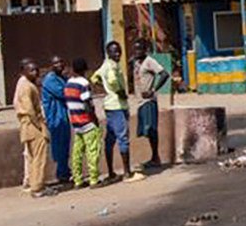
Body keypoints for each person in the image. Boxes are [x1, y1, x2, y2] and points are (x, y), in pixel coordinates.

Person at [93, 41, 132, 182]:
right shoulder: (110, 67)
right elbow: (113, 80)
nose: (117, 54)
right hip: (117, 106)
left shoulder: (105, 65)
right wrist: (119, 92)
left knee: (110, 139)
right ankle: (127, 172)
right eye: (114, 52)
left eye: (119, 51)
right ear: (108, 53)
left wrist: (103, 87)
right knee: (123, 138)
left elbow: (94, 77)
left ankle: (111, 172)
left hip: (109, 105)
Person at [65, 57, 104, 188]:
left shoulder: (68, 83)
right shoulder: (83, 83)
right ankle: (94, 179)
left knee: (77, 152)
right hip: (86, 121)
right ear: (84, 70)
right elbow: (87, 103)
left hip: (75, 123)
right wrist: (94, 118)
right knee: (92, 150)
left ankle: (78, 180)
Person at [14, 58, 51, 196]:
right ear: (24, 72)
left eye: (36, 70)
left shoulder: (26, 84)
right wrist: (40, 126)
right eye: (31, 70)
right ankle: (37, 187)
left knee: (32, 156)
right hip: (31, 124)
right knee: (39, 157)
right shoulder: (27, 86)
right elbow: (30, 110)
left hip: (27, 124)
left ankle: (32, 183)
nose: (35, 73)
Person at [132, 40, 169, 171]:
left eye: (139, 49)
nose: (136, 52)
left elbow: (164, 74)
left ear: (145, 50)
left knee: (151, 128)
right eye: (135, 49)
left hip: (149, 101)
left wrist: (153, 90)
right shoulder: (136, 63)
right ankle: (154, 157)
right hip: (140, 101)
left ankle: (155, 157)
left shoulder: (149, 61)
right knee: (145, 130)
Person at [40, 56, 71, 187]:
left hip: (63, 116)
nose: (59, 64)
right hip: (55, 118)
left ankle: (65, 172)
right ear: (51, 65)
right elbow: (64, 93)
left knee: (65, 145)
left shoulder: (61, 78)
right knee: (59, 147)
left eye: (60, 62)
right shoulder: (50, 80)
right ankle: (62, 174)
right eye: (56, 63)